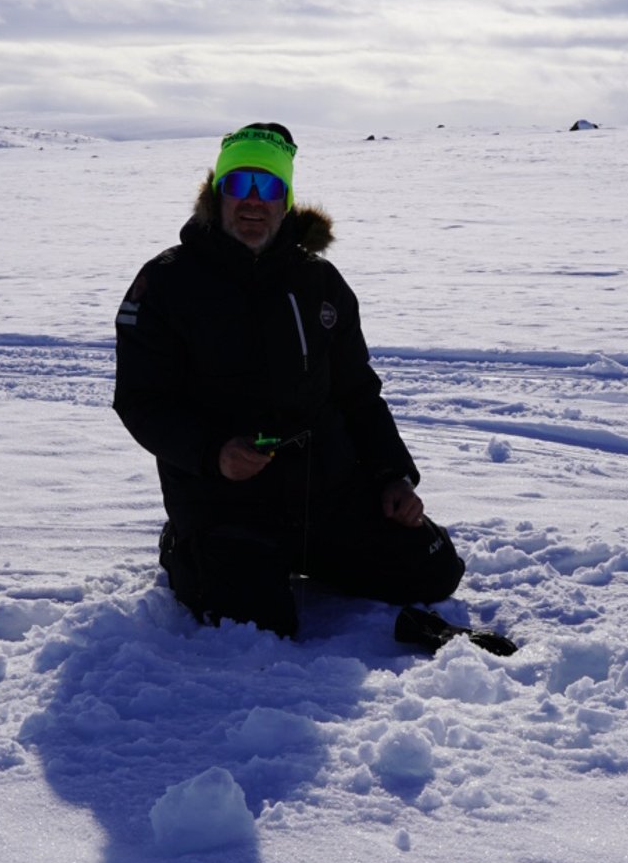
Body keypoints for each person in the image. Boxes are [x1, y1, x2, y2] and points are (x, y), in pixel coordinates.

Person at [114, 121, 464, 638]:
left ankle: (304, 553)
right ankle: (186, 545)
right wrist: (213, 453)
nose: (253, 202)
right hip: (225, 499)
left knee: (434, 571)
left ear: (286, 201)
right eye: (240, 185)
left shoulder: (319, 283)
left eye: (269, 187)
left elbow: (357, 392)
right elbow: (141, 400)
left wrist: (393, 476)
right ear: (217, 195)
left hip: (323, 492)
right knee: (259, 622)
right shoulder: (166, 283)